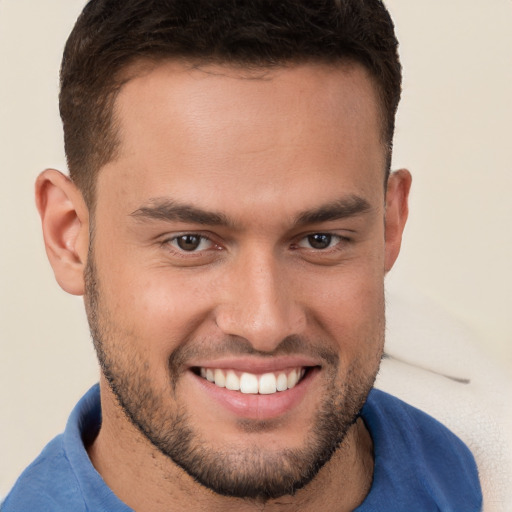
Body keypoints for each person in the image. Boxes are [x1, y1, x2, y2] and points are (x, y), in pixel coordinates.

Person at [1, 0, 482, 510]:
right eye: (190, 241)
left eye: (321, 239)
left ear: (389, 223)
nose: (264, 323)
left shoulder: (481, 462)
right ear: (68, 235)